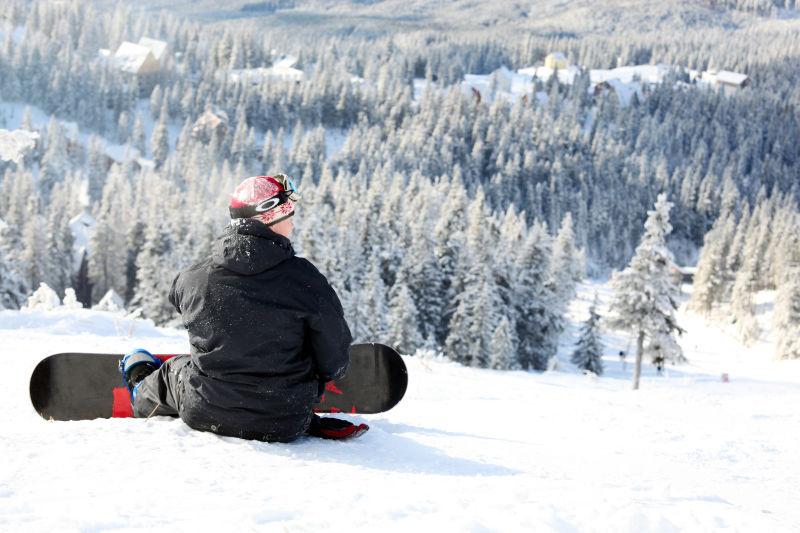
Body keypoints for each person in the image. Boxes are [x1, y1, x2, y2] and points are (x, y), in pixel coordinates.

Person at [119, 174, 367, 442]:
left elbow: (178, 299)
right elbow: (335, 363)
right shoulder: (307, 281)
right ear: (268, 217)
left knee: (173, 372)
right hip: (285, 420)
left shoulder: (194, 277)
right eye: (287, 212)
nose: (293, 221)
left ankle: (141, 387)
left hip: (204, 411)